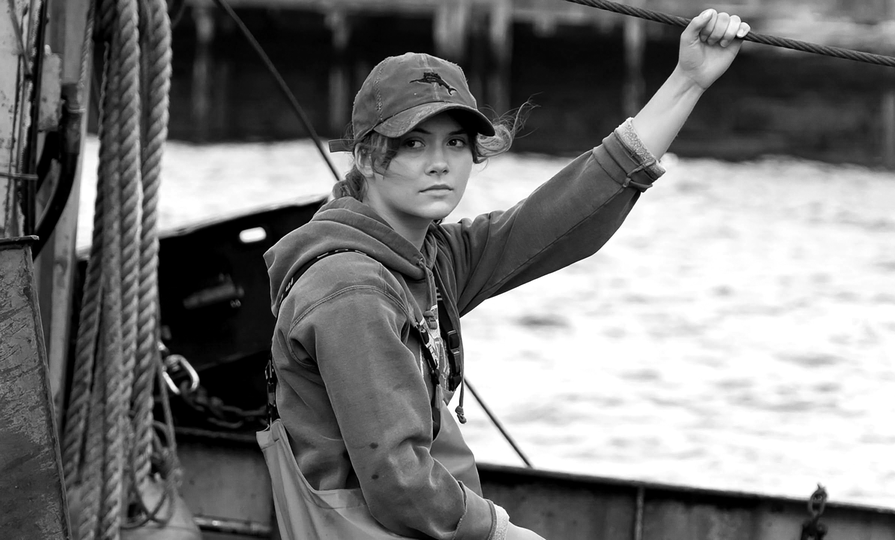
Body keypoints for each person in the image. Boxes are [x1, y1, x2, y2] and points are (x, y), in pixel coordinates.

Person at [261, 8, 750, 540]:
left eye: (454, 143)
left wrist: (688, 80)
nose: (440, 163)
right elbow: (397, 482)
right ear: (367, 157)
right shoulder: (349, 289)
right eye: (412, 143)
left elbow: (563, 214)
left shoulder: (429, 256)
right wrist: (500, 532)